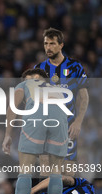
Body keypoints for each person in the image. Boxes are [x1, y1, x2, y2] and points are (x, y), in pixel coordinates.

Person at [0, 68, 69, 194]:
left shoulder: (24, 84)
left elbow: (12, 108)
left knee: (25, 170)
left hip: (37, 114)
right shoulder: (55, 88)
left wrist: (8, 135)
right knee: (56, 172)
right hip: (60, 117)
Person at [35, 28, 89, 172]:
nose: (48, 47)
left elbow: (84, 97)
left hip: (68, 125)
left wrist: (78, 122)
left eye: (52, 44)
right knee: (45, 170)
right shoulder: (39, 69)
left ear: (61, 45)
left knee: (68, 171)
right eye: (46, 44)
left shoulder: (75, 67)